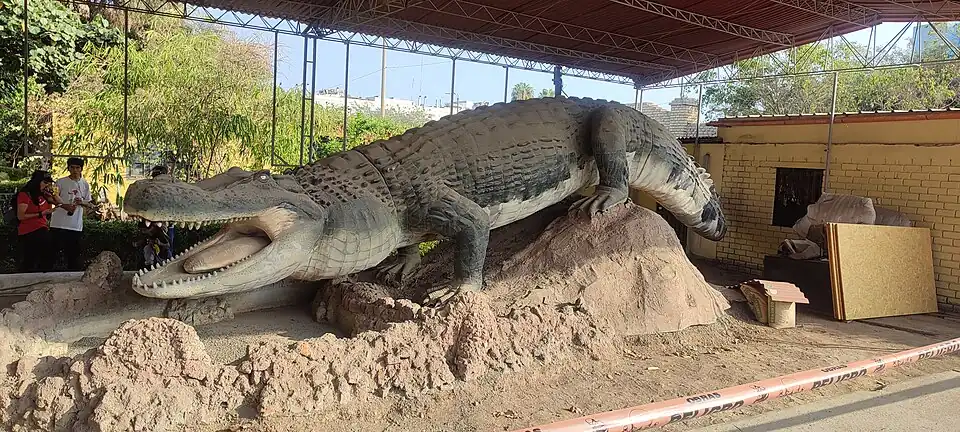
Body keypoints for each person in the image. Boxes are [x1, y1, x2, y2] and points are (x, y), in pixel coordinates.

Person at [49, 157, 94, 271]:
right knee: (51, 253)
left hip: (75, 225)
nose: (74, 170)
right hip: (58, 223)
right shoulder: (60, 182)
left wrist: (82, 202)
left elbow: (88, 203)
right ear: (68, 168)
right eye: (72, 167)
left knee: (73, 256)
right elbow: (51, 198)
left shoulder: (85, 184)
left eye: (77, 168)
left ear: (81, 169)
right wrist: (64, 205)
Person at [15, 170, 59, 272]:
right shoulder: (25, 194)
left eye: (49, 183)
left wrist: (53, 193)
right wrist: (41, 214)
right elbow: (21, 216)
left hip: (42, 227)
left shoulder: (44, 194)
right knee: (30, 259)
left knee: (48, 254)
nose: (47, 185)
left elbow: (60, 203)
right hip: (28, 231)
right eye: (44, 182)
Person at [150, 165, 175, 259]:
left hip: (166, 223)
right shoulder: (152, 188)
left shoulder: (169, 188)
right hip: (155, 223)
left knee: (167, 248)